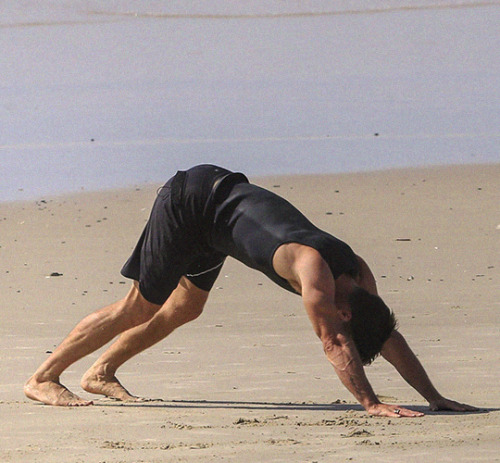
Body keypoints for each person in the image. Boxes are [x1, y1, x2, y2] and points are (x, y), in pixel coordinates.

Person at [24, 164, 477, 417]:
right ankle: (43, 379)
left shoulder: (359, 279)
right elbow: (334, 342)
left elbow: (387, 335)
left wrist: (432, 396)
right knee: (139, 307)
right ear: (346, 313)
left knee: (186, 308)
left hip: (218, 219)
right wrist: (370, 403)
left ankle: (100, 372)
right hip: (191, 205)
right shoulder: (317, 275)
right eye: (351, 331)